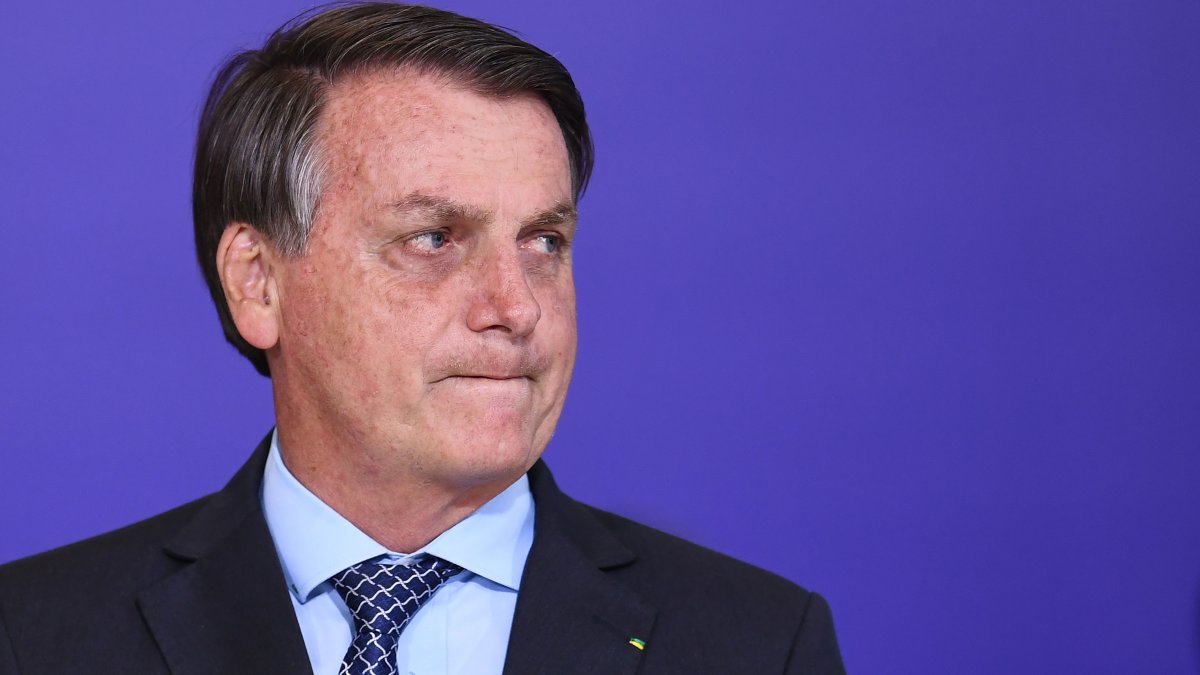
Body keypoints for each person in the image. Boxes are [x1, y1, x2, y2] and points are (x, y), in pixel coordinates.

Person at [0, 4, 845, 673]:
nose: (517, 307)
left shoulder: (759, 645)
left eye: (544, 241)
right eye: (434, 238)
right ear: (259, 282)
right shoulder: (34, 638)